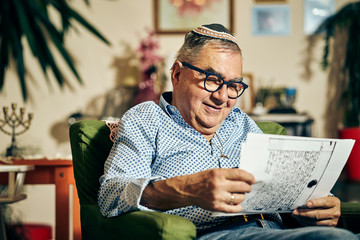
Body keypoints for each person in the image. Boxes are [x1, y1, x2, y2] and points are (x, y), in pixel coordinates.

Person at [98, 23, 359, 239]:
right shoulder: (147, 119)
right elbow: (111, 194)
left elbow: (281, 186)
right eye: (212, 80)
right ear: (177, 74)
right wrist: (185, 189)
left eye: (234, 85)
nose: (223, 97)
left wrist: (319, 206)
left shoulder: (242, 123)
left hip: (279, 231)